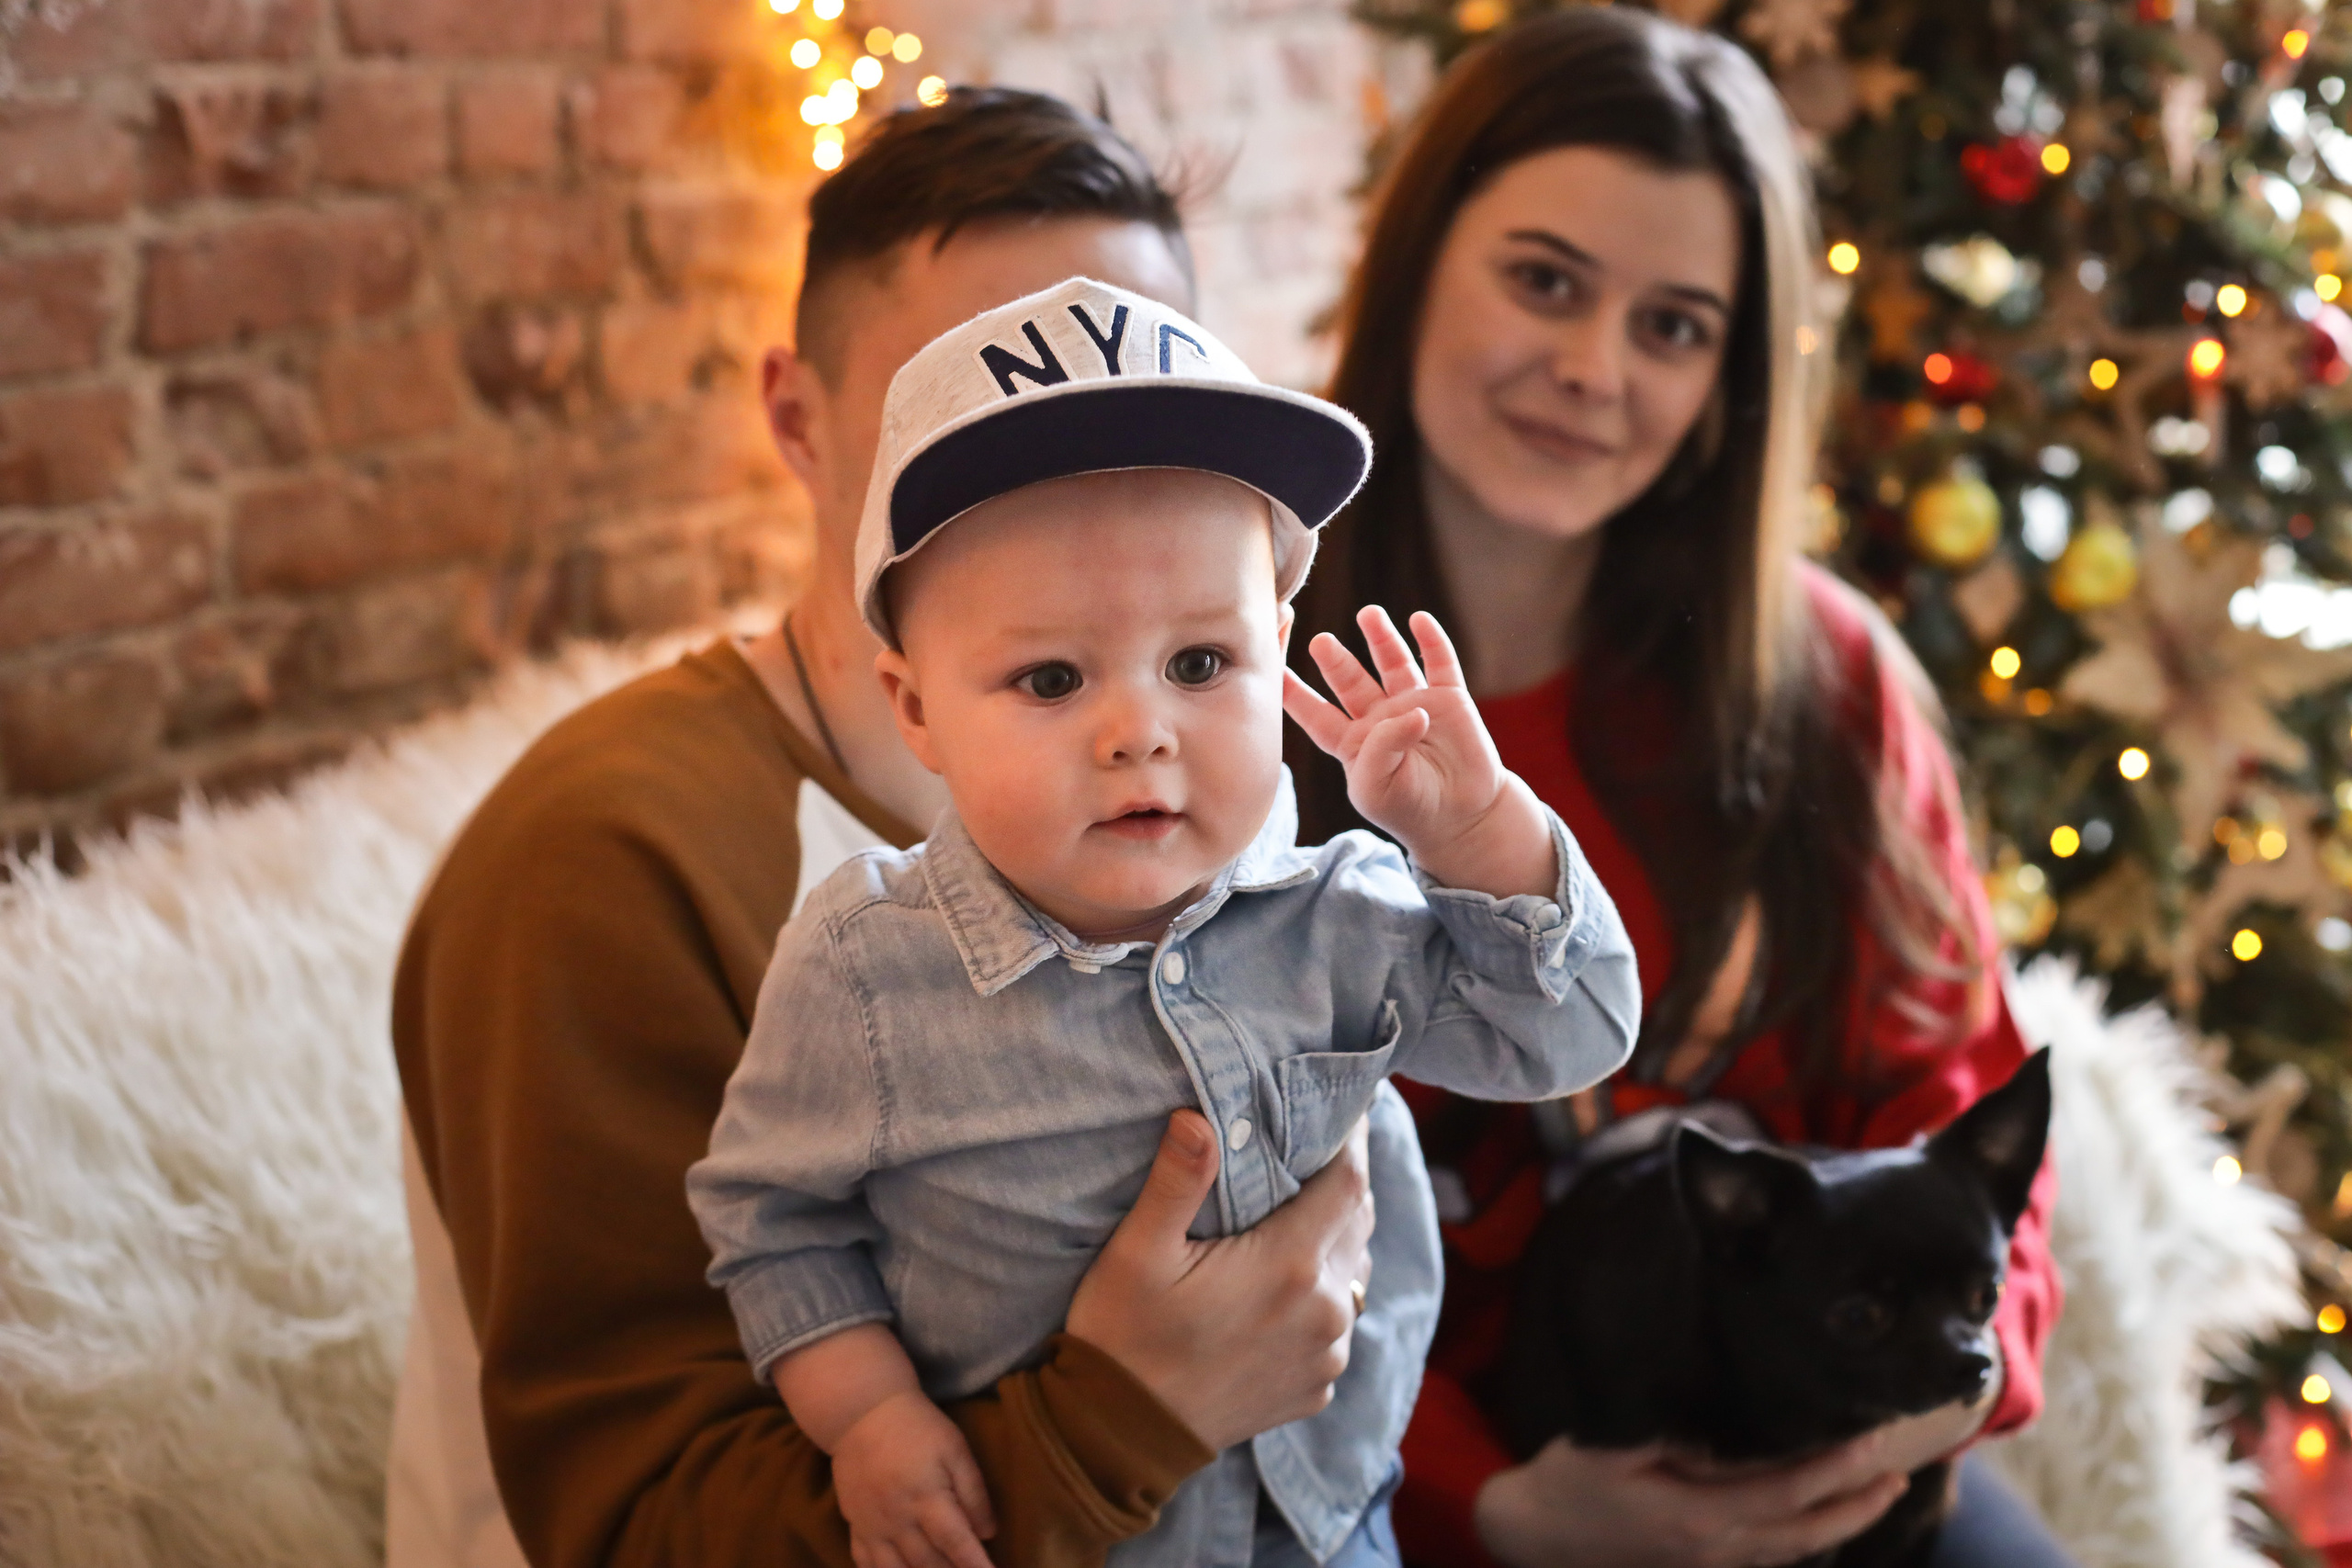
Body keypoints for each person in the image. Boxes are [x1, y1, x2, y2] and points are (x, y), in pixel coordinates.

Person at [390, 90, 1385, 1568]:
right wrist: (1124, 1412)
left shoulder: (1192, 809)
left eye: (1121, 407)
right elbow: (640, 1525)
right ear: (796, 417)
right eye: (970, 395)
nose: (1064, 465)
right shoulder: (598, 871)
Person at [684, 276, 1641, 1568]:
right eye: (1051, 678)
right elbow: (771, 1223)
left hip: (1326, 1519)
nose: (1139, 730)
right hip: (1057, 1535)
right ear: (915, 710)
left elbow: (1573, 1036)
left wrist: (1479, 834)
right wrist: (869, 1417)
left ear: (1280, 650)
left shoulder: (1342, 914)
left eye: (1201, 665)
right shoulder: (868, 970)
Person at [1283, 12, 2075, 1568]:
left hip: (1832, 1456)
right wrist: (1491, 1509)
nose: (1593, 371)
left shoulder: (1826, 682)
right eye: (1546, 279)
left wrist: (1913, 1430)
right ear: (1417, 259)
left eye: (1675, 326)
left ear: (1730, 376)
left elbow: (1961, 1112)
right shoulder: (1224, 683)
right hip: (1390, 1494)